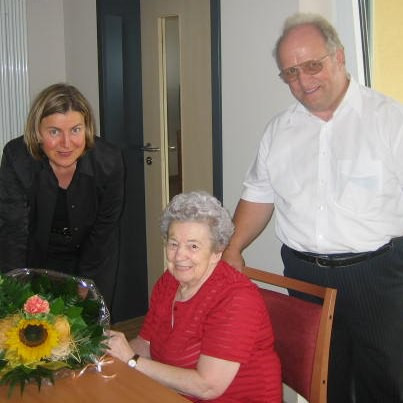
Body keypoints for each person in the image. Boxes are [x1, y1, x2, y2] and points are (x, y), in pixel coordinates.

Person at [222, 12, 403, 403]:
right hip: (305, 277)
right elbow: (258, 194)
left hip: (378, 276)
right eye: (290, 72)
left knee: (387, 379)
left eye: (312, 65)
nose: (303, 81)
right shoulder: (279, 130)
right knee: (322, 379)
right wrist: (232, 247)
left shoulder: (390, 121)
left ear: (339, 57)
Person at [107, 191, 281, 402]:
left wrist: (131, 360)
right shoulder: (169, 282)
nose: (180, 256)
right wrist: (107, 354)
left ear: (217, 252)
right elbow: (145, 344)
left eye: (193, 246)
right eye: (173, 244)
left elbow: (208, 386)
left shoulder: (236, 299)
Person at [0, 83, 124, 308]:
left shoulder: (109, 161)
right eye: (54, 132)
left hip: (91, 253)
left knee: (86, 330)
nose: (66, 144)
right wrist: (18, 292)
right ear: (37, 132)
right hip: (32, 254)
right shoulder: (16, 158)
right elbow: (13, 232)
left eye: (75, 130)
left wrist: (87, 286)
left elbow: (104, 231)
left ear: (86, 129)